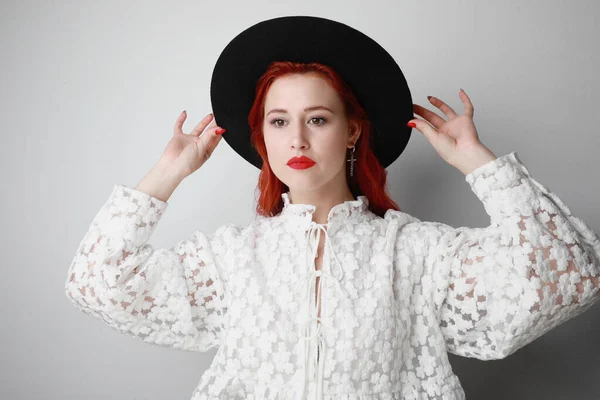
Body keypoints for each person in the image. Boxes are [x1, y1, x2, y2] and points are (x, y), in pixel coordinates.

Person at [64, 16, 600, 400]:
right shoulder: (228, 259)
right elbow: (97, 284)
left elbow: (570, 275)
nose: (296, 138)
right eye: (278, 121)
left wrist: (480, 164)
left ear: (352, 132)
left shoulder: (418, 253)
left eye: (317, 119)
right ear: (262, 139)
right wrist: (167, 172)